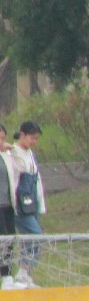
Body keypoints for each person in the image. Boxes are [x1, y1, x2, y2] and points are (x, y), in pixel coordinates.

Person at [1, 120, 46, 288]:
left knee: (33, 238)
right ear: (23, 135)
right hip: (19, 203)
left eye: (36, 138)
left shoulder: (31, 155)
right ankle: (21, 271)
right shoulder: (12, 152)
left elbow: (37, 181)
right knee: (34, 234)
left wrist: (41, 205)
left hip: (32, 201)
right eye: (32, 137)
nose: (34, 141)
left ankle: (25, 272)